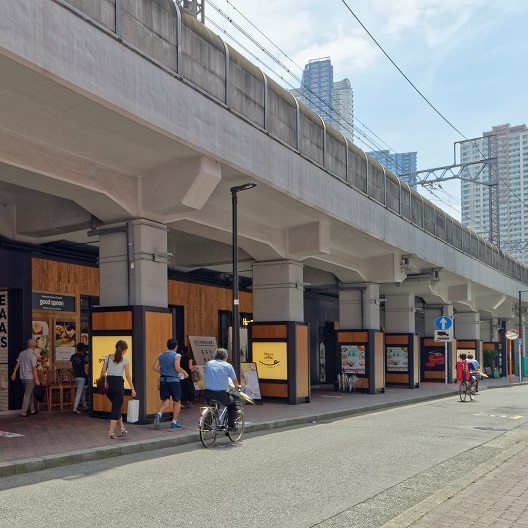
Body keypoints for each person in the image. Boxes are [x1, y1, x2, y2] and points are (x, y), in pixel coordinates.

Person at [99, 339, 136, 439]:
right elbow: (128, 376)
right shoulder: (125, 360)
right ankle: (111, 431)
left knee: (116, 406)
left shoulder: (107, 357)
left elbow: (103, 371)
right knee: (116, 408)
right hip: (118, 385)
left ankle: (122, 428)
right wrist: (132, 389)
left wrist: (102, 381)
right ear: (124, 350)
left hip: (109, 386)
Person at [153, 339, 188, 429]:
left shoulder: (161, 355)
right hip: (173, 380)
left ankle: (159, 414)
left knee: (165, 400)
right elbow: (177, 367)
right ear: (176, 346)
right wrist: (184, 372)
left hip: (163, 380)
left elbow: (155, 367)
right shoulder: (177, 355)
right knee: (177, 402)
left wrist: (163, 371)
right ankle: (174, 422)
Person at [204, 348, 240, 432]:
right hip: (221, 394)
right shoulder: (228, 366)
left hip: (208, 393)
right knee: (232, 405)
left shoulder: (209, 363)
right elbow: (234, 380)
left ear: (215, 356)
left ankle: (205, 425)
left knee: (214, 406)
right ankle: (231, 425)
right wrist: (237, 388)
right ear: (226, 357)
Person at [11, 339, 41, 417]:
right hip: (29, 377)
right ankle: (23, 412)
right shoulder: (32, 355)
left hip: (22, 377)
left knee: (29, 393)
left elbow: (18, 364)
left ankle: (32, 410)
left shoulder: (22, 353)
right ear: (34, 346)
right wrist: (36, 379)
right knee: (27, 394)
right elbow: (34, 368)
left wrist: (14, 373)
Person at [70, 342, 89, 414]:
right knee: (79, 392)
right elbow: (86, 367)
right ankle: (75, 408)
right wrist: (87, 373)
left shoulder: (73, 356)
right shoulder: (83, 357)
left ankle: (85, 405)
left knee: (82, 391)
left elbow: (70, 366)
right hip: (82, 376)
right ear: (83, 349)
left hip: (75, 376)